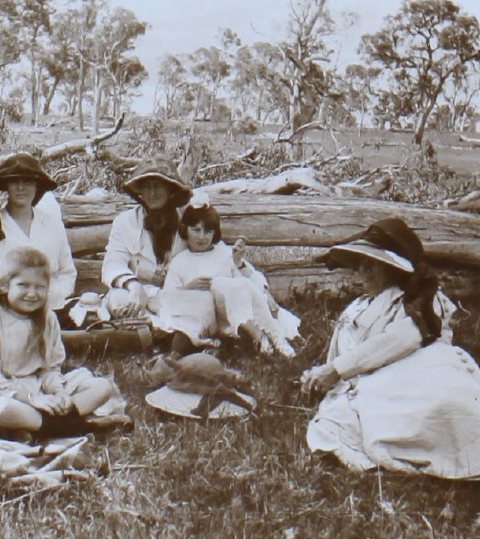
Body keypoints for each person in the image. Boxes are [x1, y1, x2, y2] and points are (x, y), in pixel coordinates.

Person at [300, 218, 480, 479]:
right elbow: (342, 354)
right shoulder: (358, 308)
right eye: (361, 265)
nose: (364, 272)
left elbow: (400, 340)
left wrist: (336, 369)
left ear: (395, 268)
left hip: (417, 373)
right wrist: (323, 376)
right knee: (339, 423)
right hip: (370, 383)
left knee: (447, 403)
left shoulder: (423, 302)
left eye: (373, 265)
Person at [0, 246, 127, 437]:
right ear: (4, 286)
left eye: (40, 287)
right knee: (1, 410)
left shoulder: (48, 318)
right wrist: (31, 399)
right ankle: (76, 426)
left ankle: (41, 426)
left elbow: (50, 367)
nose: (32, 293)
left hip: (38, 387)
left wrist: (58, 393)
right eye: (23, 285)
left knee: (102, 387)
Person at [158, 200, 298, 358]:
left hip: (235, 312)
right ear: (185, 230)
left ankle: (266, 338)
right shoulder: (180, 262)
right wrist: (189, 288)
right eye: (195, 230)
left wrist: (238, 263)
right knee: (220, 284)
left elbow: (251, 281)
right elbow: (168, 298)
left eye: (208, 231)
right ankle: (263, 338)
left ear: (215, 233)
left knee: (224, 284)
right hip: (206, 319)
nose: (201, 237)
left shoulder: (224, 252)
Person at [0, 152, 76, 310]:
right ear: (6, 186)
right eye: (14, 182)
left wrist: (54, 298)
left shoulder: (52, 225)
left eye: (27, 182)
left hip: (52, 309)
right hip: (5, 311)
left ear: (36, 186)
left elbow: (67, 271)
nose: (21, 188)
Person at [101, 156, 193, 320]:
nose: (152, 193)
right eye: (146, 187)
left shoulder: (188, 221)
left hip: (177, 296)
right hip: (139, 295)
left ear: (170, 189)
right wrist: (134, 286)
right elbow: (112, 264)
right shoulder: (125, 222)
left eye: (158, 186)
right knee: (118, 299)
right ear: (140, 192)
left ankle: (159, 329)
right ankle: (153, 329)